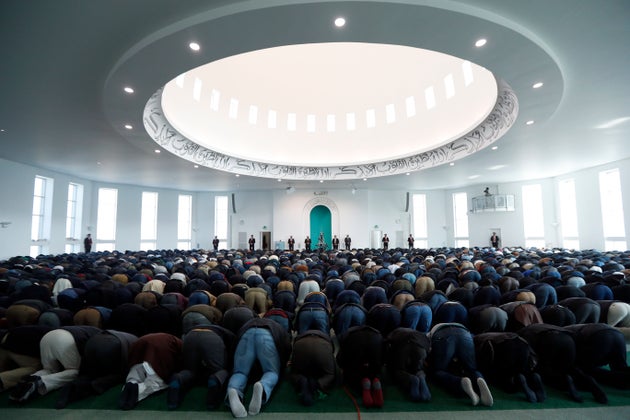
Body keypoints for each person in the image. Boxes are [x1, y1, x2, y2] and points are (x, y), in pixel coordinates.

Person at [225, 317, 292, 417]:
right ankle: (263, 385)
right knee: (271, 372)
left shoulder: (249, 322)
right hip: (268, 336)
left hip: (246, 335)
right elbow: (286, 347)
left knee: (240, 372)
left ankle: (234, 389)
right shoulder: (278, 327)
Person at [427, 323, 493, 407]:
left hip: (442, 335)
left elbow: (427, 347)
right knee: (471, 369)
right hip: (465, 334)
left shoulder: (430, 331)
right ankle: (479, 379)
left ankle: (460, 383)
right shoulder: (461, 325)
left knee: (439, 371)